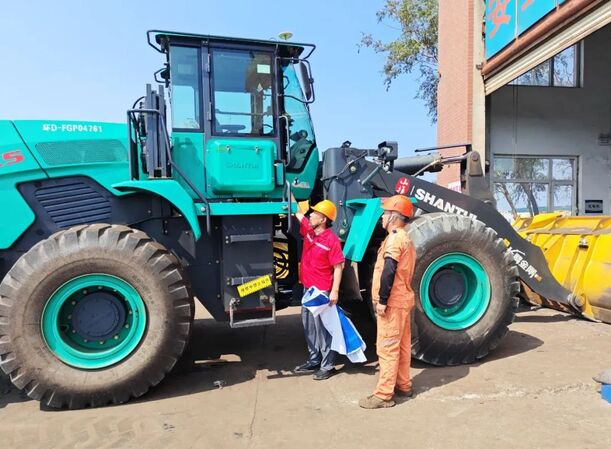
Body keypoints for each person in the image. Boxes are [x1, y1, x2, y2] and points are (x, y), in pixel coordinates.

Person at [359, 195, 416, 409]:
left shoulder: (394, 239)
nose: (382, 217)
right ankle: (404, 385)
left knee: (387, 347)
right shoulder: (405, 237)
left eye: (385, 213)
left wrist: (382, 300)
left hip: (392, 302)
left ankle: (384, 395)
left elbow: (389, 269)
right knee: (402, 345)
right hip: (402, 300)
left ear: (394, 216)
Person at [293, 199, 345, 380]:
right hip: (308, 289)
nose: (311, 215)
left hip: (321, 292)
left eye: (315, 213)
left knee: (323, 329)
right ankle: (314, 359)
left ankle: (328, 365)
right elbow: (297, 212)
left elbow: (338, 267)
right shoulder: (309, 231)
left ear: (323, 219)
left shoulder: (331, 240)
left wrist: (334, 291)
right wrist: (287, 188)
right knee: (309, 327)